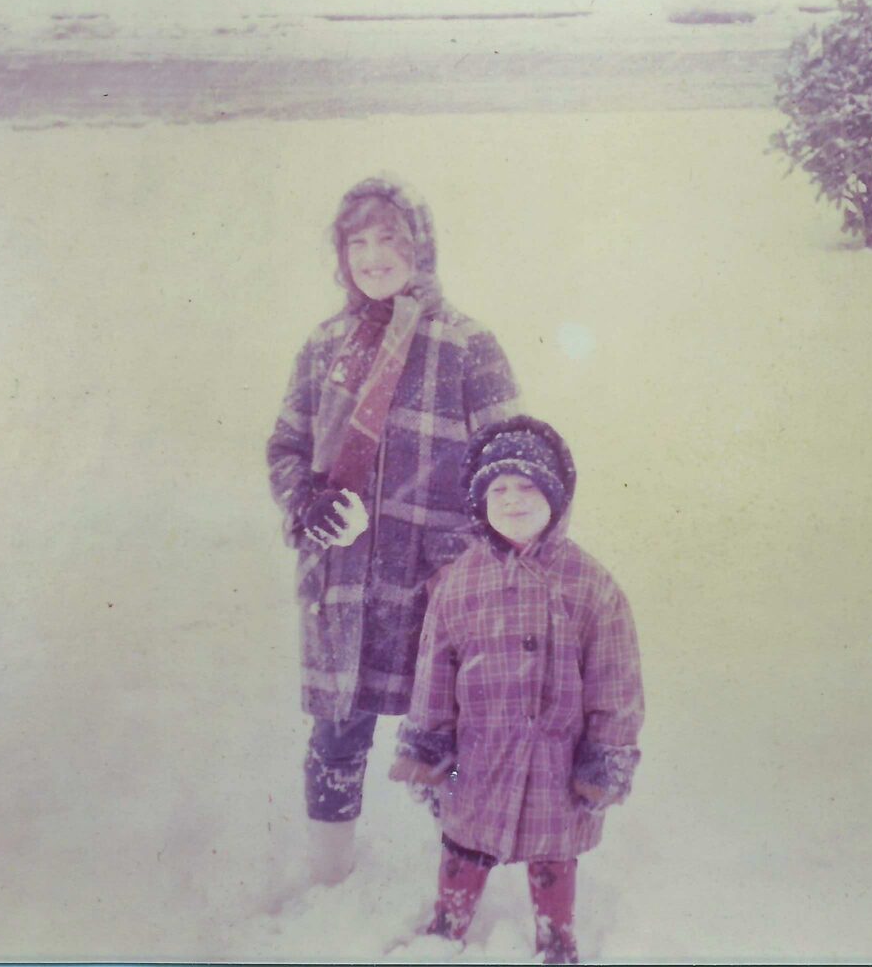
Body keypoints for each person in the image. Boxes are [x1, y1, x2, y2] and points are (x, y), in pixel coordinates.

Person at [265, 177, 520, 888]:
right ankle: (330, 882)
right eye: (358, 242)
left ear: (422, 249)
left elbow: (511, 468)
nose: (373, 257)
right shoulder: (324, 347)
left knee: (446, 735)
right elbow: (285, 446)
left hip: (432, 587)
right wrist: (306, 500)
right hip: (342, 586)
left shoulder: (467, 346)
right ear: (340, 255)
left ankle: (463, 889)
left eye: (390, 240)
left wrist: (475, 564)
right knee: (337, 733)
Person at [389, 415, 645, 965]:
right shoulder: (460, 581)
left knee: (555, 849)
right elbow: (434, 673)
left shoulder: (591, 584)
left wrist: (605, 756)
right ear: (480, 502)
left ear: (555, 496)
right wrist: (430, 748)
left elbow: (616, 682)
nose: (512, 501)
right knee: (463, 840)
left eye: (527, 487)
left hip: (558, 759)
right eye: (498, 489)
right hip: (476, 757)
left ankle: (557, 938)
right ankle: (447, 923)